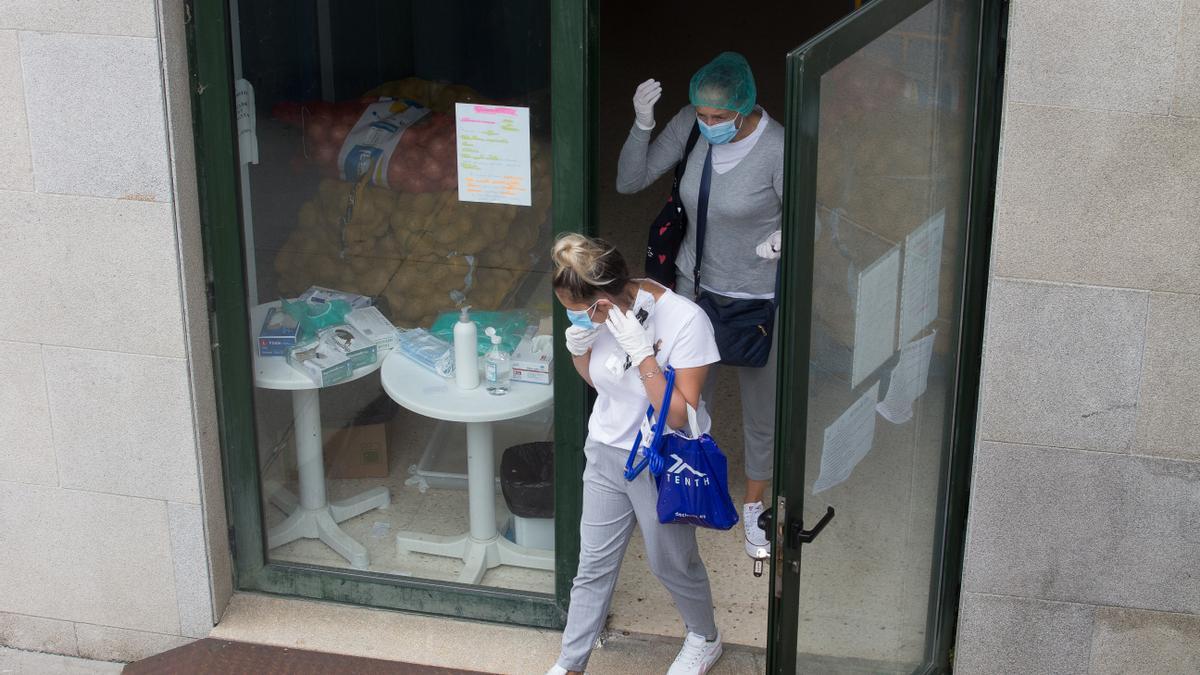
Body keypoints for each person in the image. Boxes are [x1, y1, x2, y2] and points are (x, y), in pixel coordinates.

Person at [616, 52, 784, 559]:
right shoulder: (691, 126)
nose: (708, 124)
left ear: (745, 106)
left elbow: (816, 215)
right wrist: (642, 125)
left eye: (719, 117)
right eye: (702, 114)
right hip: (693, 291)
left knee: (762, 412)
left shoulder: (777, 149)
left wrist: (785, 237)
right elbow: (629, 180)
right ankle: (680, 485)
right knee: (681, 400)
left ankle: (755, 506)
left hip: (757, 299)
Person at [546, 233, 724, 675]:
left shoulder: (685, 321)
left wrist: (643, 355)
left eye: (577, 308)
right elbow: (600, 382)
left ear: (603, 301)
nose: (573, 315)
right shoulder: (600, 317)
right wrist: (579, 349)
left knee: (671, 563)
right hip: (606, 451)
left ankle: (705, 636)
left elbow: (679, 415)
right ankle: (570, 665)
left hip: (661, 457)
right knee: (592, 567)